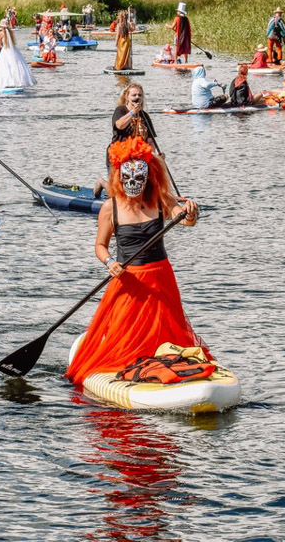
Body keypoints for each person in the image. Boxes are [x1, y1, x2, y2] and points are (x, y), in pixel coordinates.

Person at [66, 137, 203, 386]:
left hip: (160, 279)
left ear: (149, 177)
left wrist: (192, 213)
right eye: (127, 178)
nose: (133, 184)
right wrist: (110, 262)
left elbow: (185, 220)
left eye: (139, 178)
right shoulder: (110, 208)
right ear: (119, 177)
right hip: (128, 280)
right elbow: (100, 246)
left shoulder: (161, 200)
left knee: (164, 333)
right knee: (125, 334)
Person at [0, 19, 36, 90]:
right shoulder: (10, 32)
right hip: (13, 50)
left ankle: (7, 82)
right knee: (15, 65)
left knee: (5, 66)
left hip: (5, 51)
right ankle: (17, 81)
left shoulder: (1, 34)